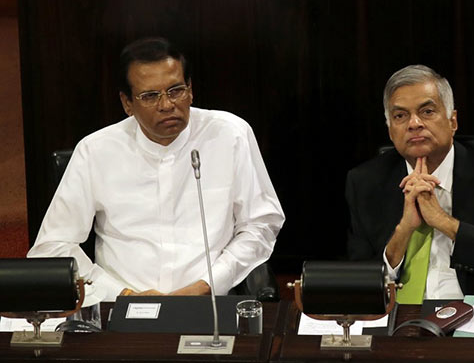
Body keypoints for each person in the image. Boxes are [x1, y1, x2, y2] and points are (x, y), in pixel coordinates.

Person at [28, 37, 285, 301]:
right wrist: (120, 293)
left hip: (211, 304)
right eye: (150, 96)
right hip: (121, 306)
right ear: (127, 103)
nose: (166, 105)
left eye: (176, 90)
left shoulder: (231, 135)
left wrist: (209, 284)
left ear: (191, 89)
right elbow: (52, 247)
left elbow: (261, 224)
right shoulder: (96, 151)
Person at [345, 64, 474, 301]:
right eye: (400, 116)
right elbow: (357, 286)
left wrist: (447, 224)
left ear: (452, 121)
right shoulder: (365, 183)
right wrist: (403, 231)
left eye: (427, 111)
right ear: (390, 130)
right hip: (399, 322)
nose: (414, 123)